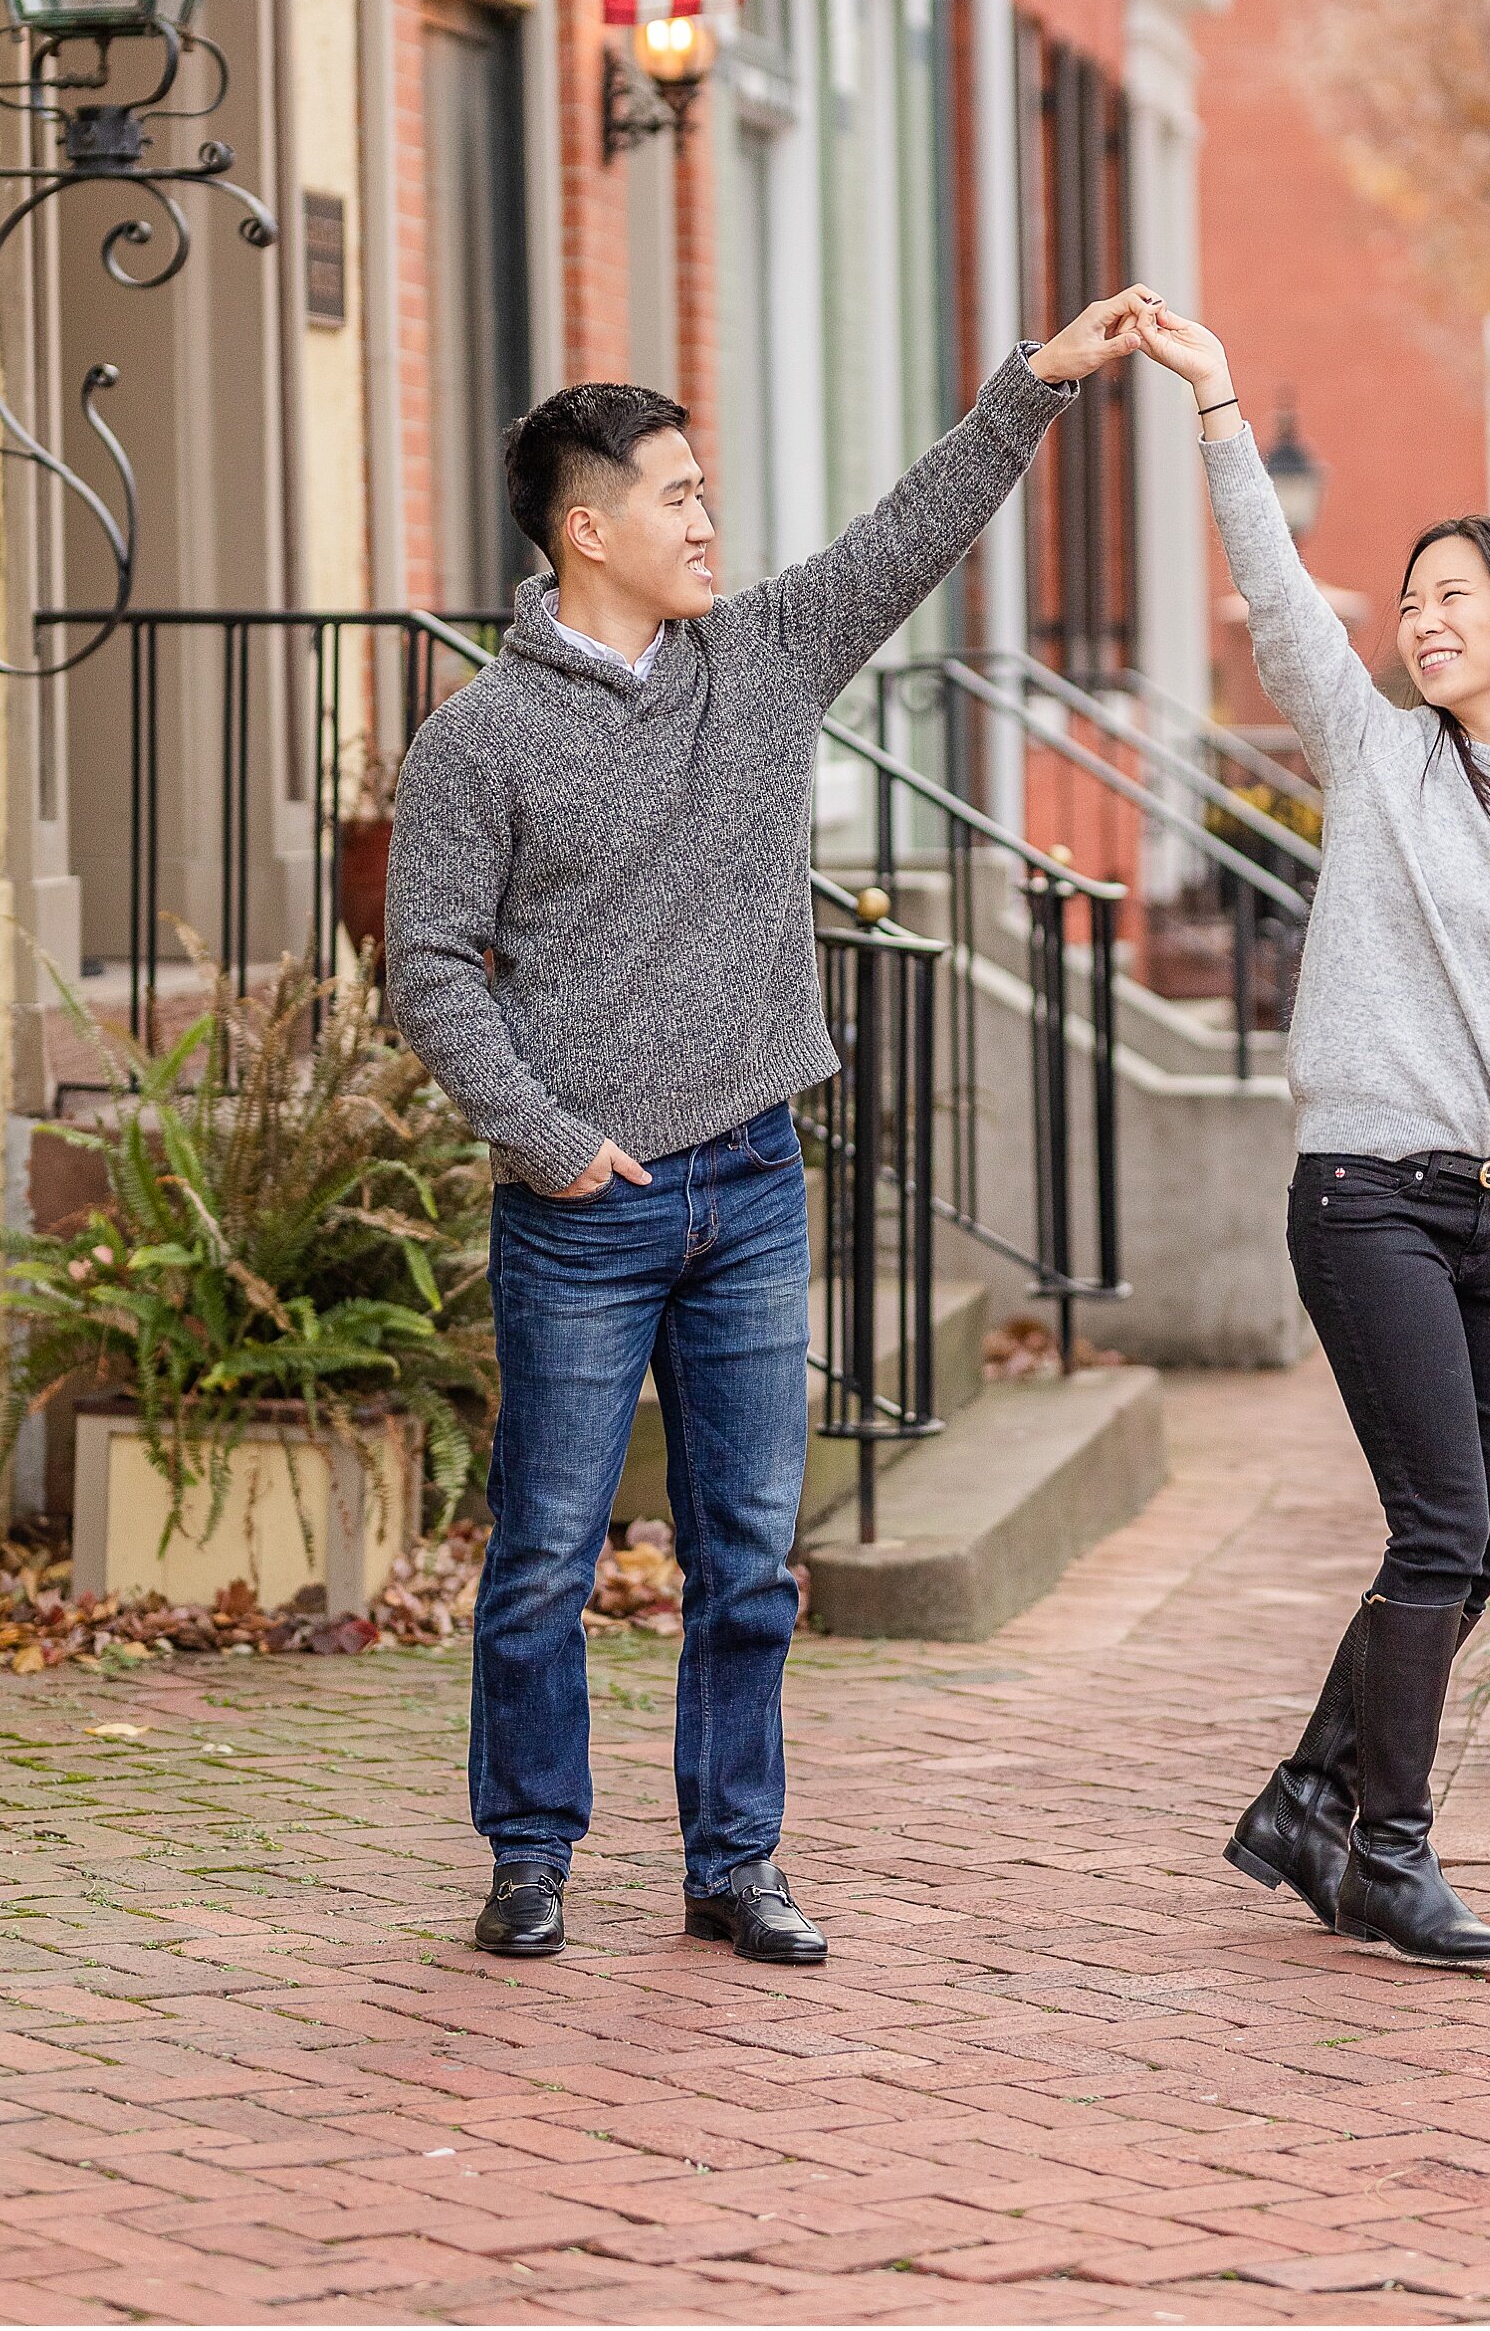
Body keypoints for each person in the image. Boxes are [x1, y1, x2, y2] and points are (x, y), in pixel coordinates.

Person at [385, 296, 1153, 1968]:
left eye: (706, 490)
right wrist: (546, 1140)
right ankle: (530, 1853)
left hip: (752, 1181)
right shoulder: (478, 742)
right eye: (675, 494)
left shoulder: (765, 657)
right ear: (586, 530)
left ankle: (734, 1863)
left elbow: (911, 533)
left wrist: (1033, 389)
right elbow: (429, 972)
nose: (706, 520)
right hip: (582, 1204)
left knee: (748, 1557)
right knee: (543, 1560)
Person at [1134, 299, 1490, 1970]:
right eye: (1406, 602)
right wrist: (1220, 405)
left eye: (1453, 596)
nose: (1419, 620)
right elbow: (1267, 585)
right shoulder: (1377, 760)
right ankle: (1385, 1848)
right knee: (1440, 1528)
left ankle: (1304, 1802)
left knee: (1473, 1549)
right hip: (1370, 1198)